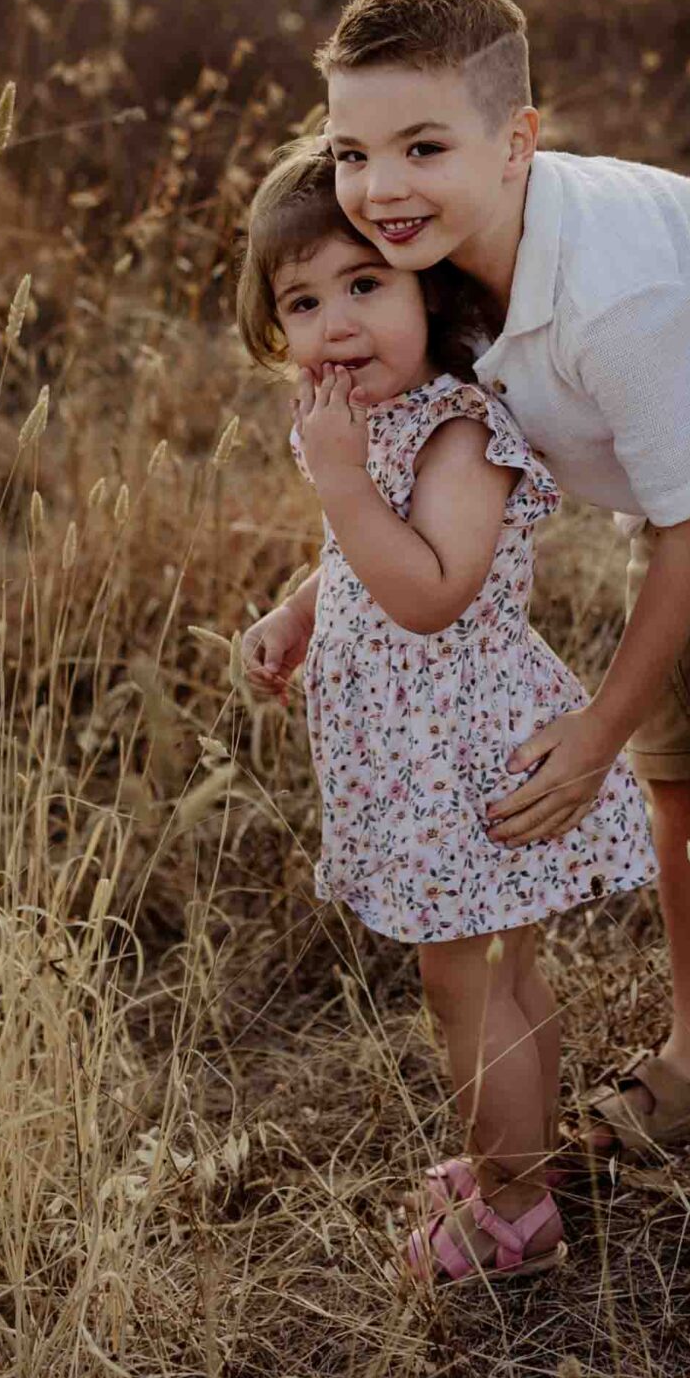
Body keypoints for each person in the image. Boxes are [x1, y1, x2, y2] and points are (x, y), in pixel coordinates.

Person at [315, 0, 690, 1232]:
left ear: (518, 140)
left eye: (423, 145)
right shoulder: (432, 261)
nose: (379, 187)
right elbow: (407, 463)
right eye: (352, 151)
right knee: (676, 776)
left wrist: (587, 731)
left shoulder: (617, 292)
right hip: (682, 484)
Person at [235, 137, 658, 1289]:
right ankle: (515, 1155)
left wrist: (332, 482)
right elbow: (363, 555)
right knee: (493, 973)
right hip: (416, 758)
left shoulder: (459, 430)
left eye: (363, 285)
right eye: (303, 301)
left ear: (432, 289)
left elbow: (429, 588)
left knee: (468, 981)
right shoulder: (370, 425)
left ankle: (515, 1207)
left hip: (463, 760)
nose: (335, 322)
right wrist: (300, 609)